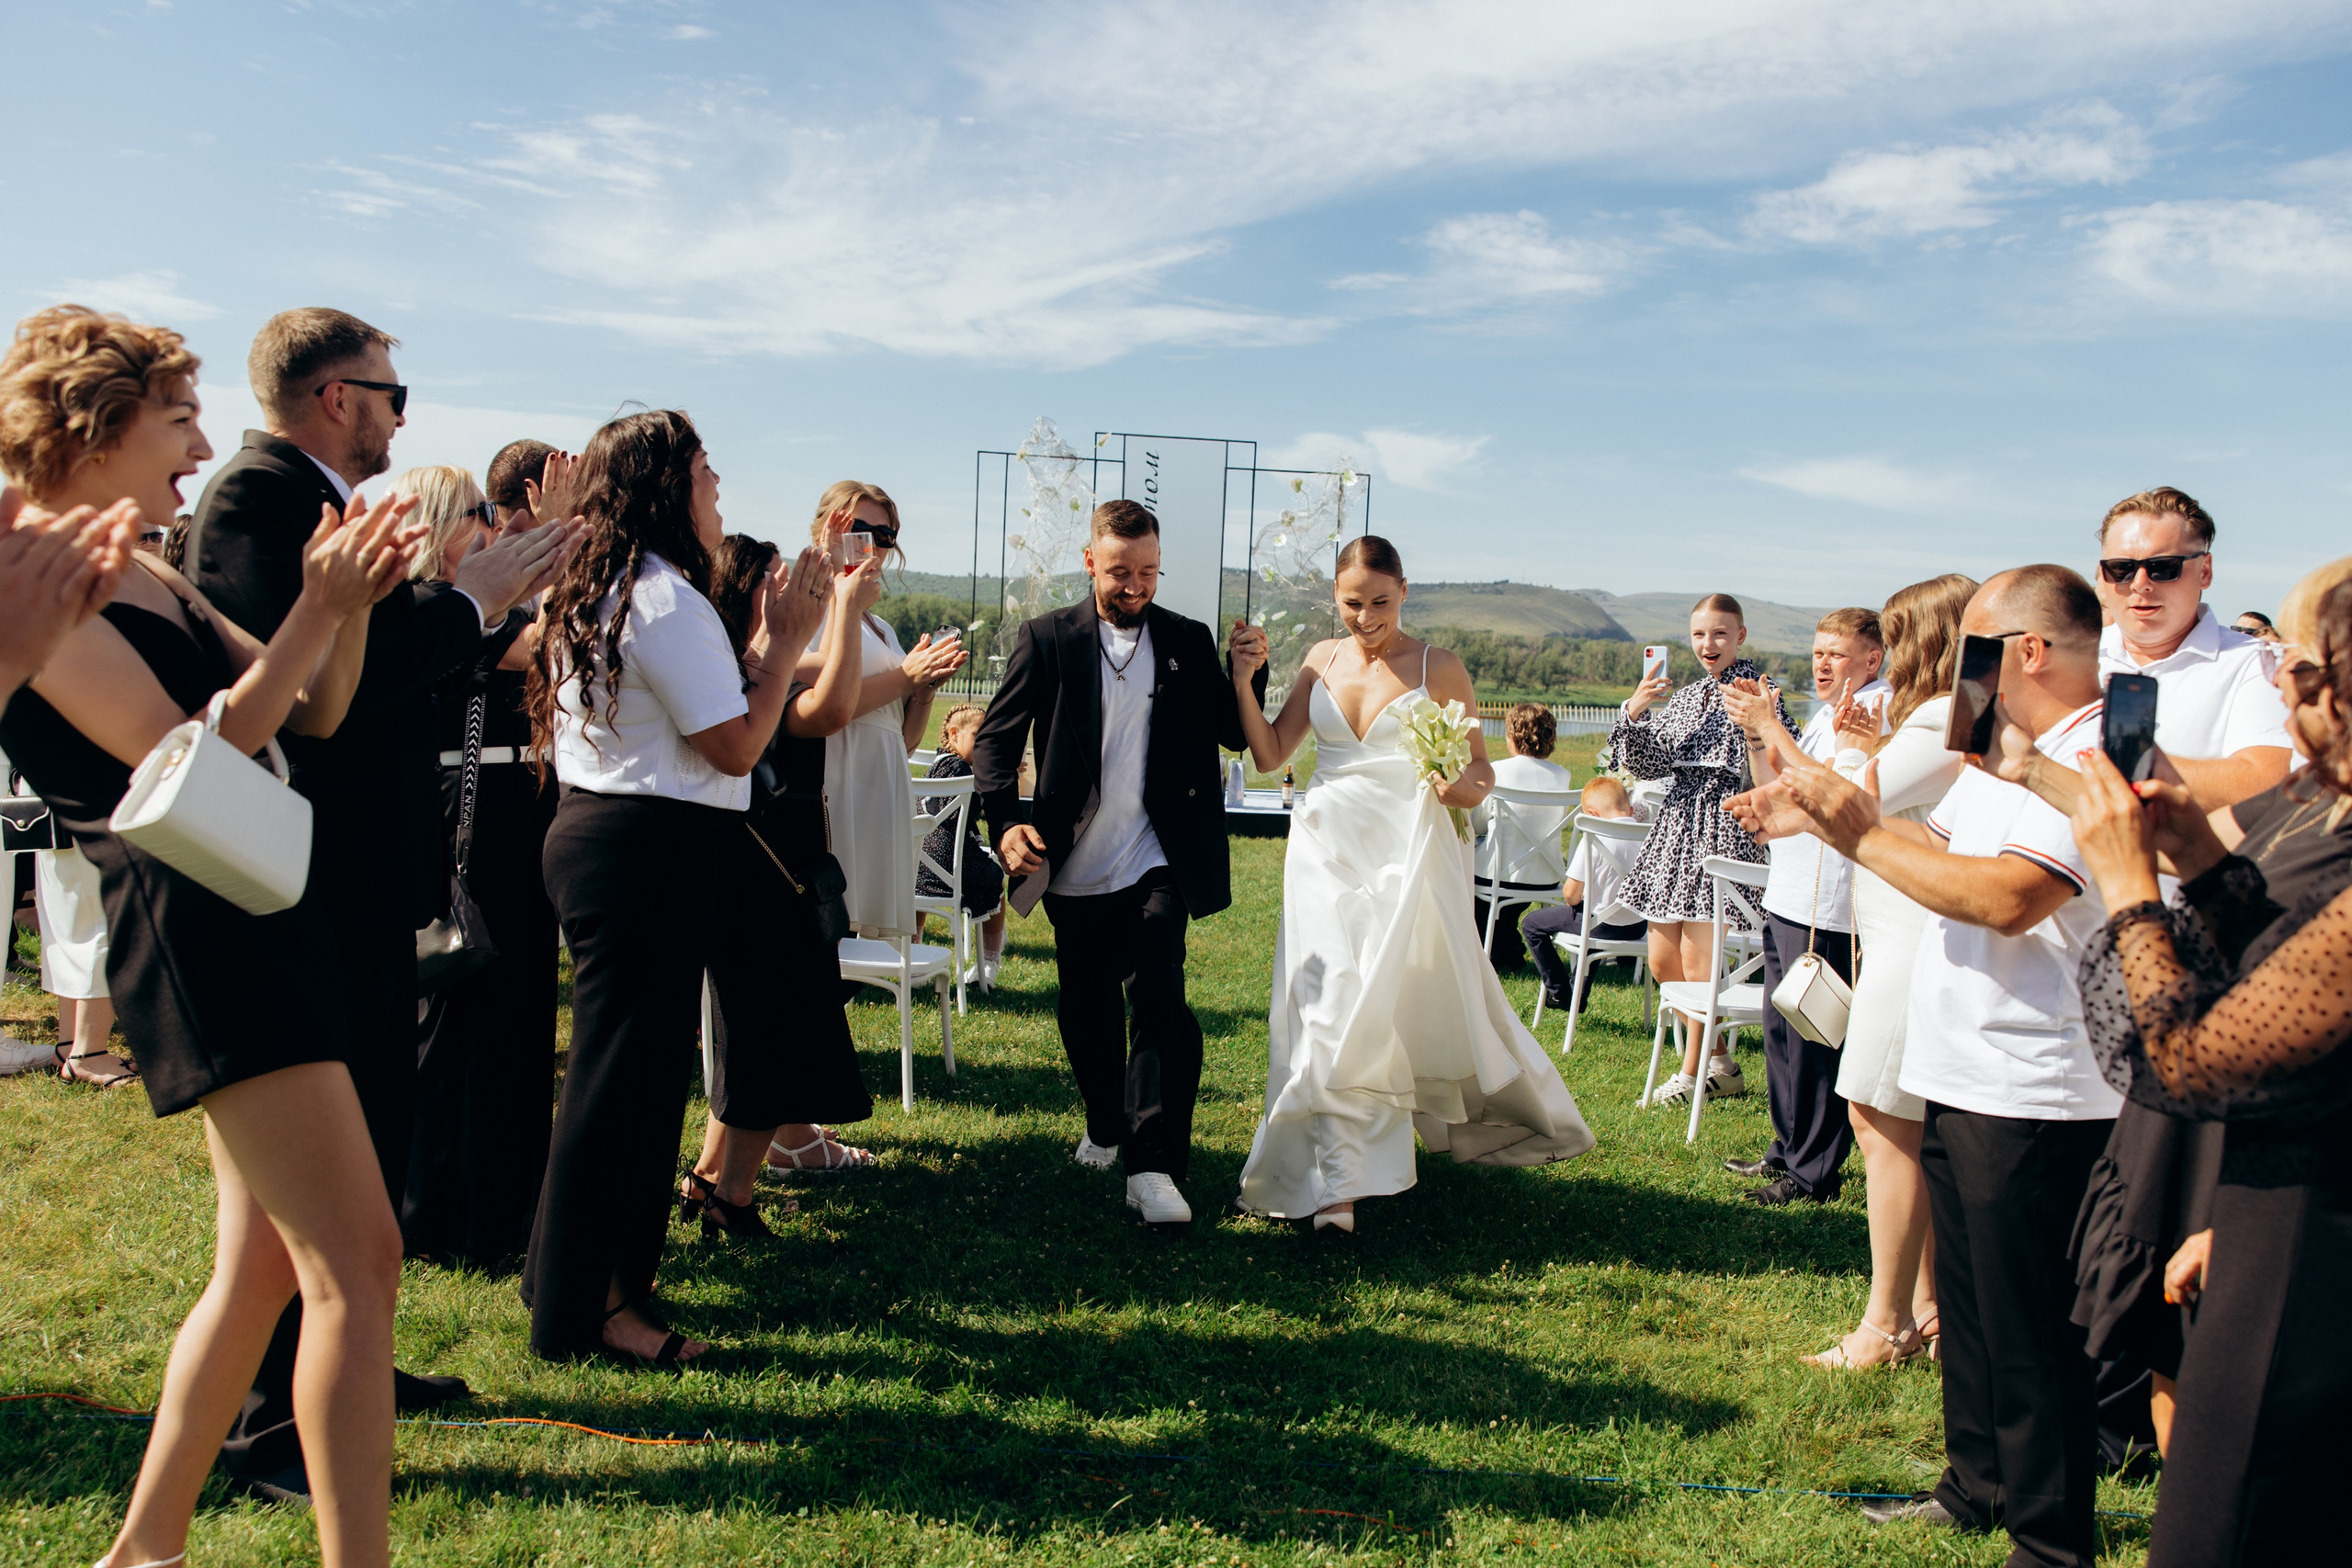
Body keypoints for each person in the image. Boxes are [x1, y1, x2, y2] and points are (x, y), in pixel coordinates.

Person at [0, 303, 419, 1568]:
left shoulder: (144, 557)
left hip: (256, 906)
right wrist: (310, 607)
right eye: (177, 417)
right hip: (193, 922)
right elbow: (189, 757)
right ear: (94, 422)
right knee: (361, 1257)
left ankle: (144, 1545)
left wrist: (342, 601)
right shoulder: (30, 571)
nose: (197, 441)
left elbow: (313, 709)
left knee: (267, 1272)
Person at [187, 308, 576, 1497]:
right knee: (293, 1216)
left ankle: (351, 1367)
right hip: (309, 882)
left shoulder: (315, 500)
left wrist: (482, 599)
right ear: (333, 396)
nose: (404, 417)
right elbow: (319, 694)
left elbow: (373, 657)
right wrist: (471, 606)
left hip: (361, 884)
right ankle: (267, 1430)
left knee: (372, 1143)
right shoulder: (260, 498)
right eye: (392, 394)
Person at [1729, 565, 2119, 1568]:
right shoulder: (2007, 757)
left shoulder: (2094, 750)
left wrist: (1855, 830)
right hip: (1966, 1064)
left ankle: (2048, 1540)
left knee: (2035, 1332)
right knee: (1979, 1317)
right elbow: (1938, 844)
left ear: (2026, 652)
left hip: (2037, 1083)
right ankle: (1974, 1485)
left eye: (1973, 650)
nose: (1958, 671)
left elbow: (2005, 897)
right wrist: (1822, 815)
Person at [2066, 554, 2352, 1567]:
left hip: (2316, 1265)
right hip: (2277, 1215)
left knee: (2228, 1527)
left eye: (2297, 662)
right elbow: (2287, 967)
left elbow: (2190, 1062)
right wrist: (2195, 858)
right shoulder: (2329, 803)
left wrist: (2127, 884)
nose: (2277, 678)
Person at [520, 409, 796, 1366]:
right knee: (626, 1095)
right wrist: (790, 641)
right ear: (665, 487)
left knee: (612, 1082)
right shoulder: (663, 596)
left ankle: (566, 1281)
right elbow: (735, 743)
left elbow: (709, 715)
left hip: (612, 841)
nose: (719, 489)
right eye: (706, 471)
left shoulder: (609, 583)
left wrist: (765, 645)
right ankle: (600, 1307)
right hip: (647, 852)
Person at [1227, 536, 1595, 1230]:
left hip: (1406, 851)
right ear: (1333, 598)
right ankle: (1338, 1187)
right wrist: (1244, 683)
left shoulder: (1439, 666)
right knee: (1329, 1000)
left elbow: (1481, 770)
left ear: (1404, 591)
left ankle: (1358, 1168)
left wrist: (1460, 787)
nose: (1365, 618)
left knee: (1383, 1006)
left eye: (1380, 603)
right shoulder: (1320, 660)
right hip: (1324, 848)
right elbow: (1273, 751)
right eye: (1351, 604)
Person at [971, 499, 1264, 1227]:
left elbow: (1232, 733)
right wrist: (1006, 823)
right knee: (1087, 1009)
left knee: (1162, 995)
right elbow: (997, 743)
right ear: (1090, 562)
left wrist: (1247, 671)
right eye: (1121, 572)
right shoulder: (1048, 639)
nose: (1135, 586)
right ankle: (1106, 1119)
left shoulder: (1186, 640)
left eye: (1148, 572)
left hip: (1158, 856)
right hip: (1071, 861)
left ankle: (1152, 1165)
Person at [388, 463, 560, 1270]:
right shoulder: (433, 615)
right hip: (469, 830)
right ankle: (451, 1216)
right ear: (435, 525)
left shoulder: (476, 610)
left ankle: (507, 1201)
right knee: (466, 1025)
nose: (491, 526)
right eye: (476, 514)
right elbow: (556, 652)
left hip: (512, 821)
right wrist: (559, 542)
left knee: (517, 1021)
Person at [680, 530, 878, 1224]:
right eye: (773, 575)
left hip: (781, 861)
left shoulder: (763, 660)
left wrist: (841, 612)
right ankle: (731, 1193)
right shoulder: (740, 671)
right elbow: (829, 710)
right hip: (757, 872)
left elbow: (831, 686)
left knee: (755, 1032)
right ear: (742, 591)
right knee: (765, 1033)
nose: (787, 582)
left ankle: (712, 1175)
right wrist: (846, 610)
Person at [1808, 575, 1974, 1368]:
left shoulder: (1942, 715)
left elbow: (1849, 801)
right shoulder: (1942, 716)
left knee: (1882, 1125)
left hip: (1912, 942)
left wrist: (1847, 749)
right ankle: (1931, 1307)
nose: (1888, 651)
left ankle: (1888, 1321)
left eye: (1898, 634)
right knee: (1904, 1125)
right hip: (1901, 933)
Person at [1718, 609, 1889, 1206]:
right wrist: (1755, 733)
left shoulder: (1876, 709)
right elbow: (1780, 783)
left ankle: (1814, 1170)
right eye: (1817, 652)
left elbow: (1831, 790)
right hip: (1788, 889)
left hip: (1832, 900)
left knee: (1815, 1038)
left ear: (1872, 659)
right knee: (1782, 1030)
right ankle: (1787, 1147)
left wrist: (1771, 723)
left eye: (1836, 654)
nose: (1822, 663)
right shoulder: (1824, 713)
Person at [1611, 593, 1792, 1106]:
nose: (1707, 644)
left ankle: (1691, 1074)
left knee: (1698, 962)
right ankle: (1721, 1062)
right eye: (1698, 634)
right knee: (1664, 960)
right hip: (1675, 833)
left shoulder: (1763, 692)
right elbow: (1647, 766)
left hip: (1726, 828)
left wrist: (1759, 725)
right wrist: (1636, 710)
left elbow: (1780, 766)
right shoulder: (1686, 696)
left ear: (1741, 636)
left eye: (1718, 633)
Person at [804, 480, 967, 943]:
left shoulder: (883, 627)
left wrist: (925, 687)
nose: (873, 544)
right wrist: (904, 677)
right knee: (831, 932)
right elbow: (828, 706)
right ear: (827, 528)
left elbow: (906, 738)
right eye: (859, 528)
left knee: (863, 943)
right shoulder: (813, 611)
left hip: (882, 781)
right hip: (838, 779)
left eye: (886, 534)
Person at [2094, 487, 2291, 807]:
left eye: (2163, 567)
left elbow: (2268, 783)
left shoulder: (2259, 665)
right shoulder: (2070, 657)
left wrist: (2114, 761)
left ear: (2205, 571)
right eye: (2121, 568)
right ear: (2101, 576)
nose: (2140, 583)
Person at [1521, 774, 1650, 1011]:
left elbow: (1571, 895)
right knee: (1593, 913)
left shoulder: (1593, 837)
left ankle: (1561, 992)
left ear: (1591, 814)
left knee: (1532, 924)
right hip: (1638, 926)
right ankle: (1577, 995)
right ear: (1630, 809)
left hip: (1601, 925)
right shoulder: (1649, 837)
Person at [1473, 702, 1574, 969]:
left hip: (1498, 874)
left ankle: (1497, 948)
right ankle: (1507, 947)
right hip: (1546, 874)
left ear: (1512, 736)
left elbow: (1478, 823)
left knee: (1470, 867)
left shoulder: (1498, 771)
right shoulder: (1562, 775)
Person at [919, 703, 1008, 991]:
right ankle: (989, 962)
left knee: (915, 887)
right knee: (996, 876)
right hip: (955, 867)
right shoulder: (960, 769)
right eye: (978, 738)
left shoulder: (938, 765)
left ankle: (915, 953)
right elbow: (959, 816)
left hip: (920, 866)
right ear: (954, 734)